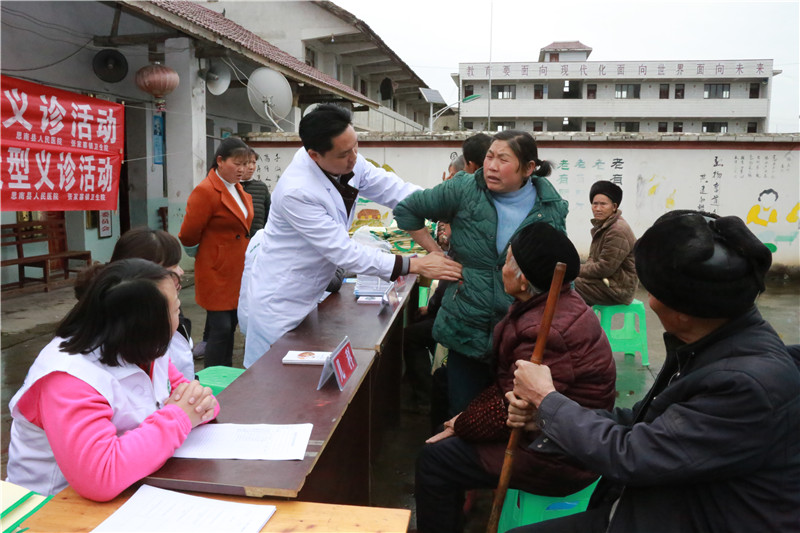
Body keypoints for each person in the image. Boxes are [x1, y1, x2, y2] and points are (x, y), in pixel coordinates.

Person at [506, 210, 800, 533]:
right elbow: (643, 423)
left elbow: (631, 454)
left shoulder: (747, 384)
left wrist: (546, 399)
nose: (651, 303)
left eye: (653, 292)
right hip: (654, 506)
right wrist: (546, 416)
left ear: (685, 313)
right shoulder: (715, 338)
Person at [414, 223, 616, 533]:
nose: (502, 269)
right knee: (446, 386)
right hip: (545, 430)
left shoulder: (548, 330)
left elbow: (512, 405)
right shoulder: (548, 302)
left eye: (507, 261)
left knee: (435, 460)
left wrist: (463, 424)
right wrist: (463, 420)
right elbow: (508, 386)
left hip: (558, 452)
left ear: (523, 280)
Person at [242, 104, 461, 367]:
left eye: (356, 146)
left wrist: (442, 206)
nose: (354, 157)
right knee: (275, 383)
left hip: (311, 293)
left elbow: (395, 189)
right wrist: (413, 264)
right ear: (314, 155)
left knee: (305, 378)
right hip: (281, 301)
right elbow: (343, 251)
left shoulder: (347, 162)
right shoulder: (296, 192)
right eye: (345, 153)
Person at [7, 259, 219, 501]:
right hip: (50, 507)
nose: (179, 317)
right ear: (144, 324)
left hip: (132, 487)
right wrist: (178, 417)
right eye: (175, 311)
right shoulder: (68, 377)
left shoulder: (147, 350)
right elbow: (100, 476)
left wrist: (192, 409)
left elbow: (200, 402)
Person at [394, 129, 568, 416]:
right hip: (466, 325)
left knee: (507, 415)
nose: (492, 166)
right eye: (489, 157)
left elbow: (554, 267)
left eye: (503, 159)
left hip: (519, 332)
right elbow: (407, 211)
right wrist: (438, 254)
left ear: (529, 168)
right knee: (463, 415)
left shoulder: (549, 207)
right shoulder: (463, 189)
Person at [75, 226, 196, 380]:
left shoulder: (168, 311)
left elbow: (176, 381)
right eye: (172, 269)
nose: (181, 272)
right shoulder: (123, 332)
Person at [179, 137, 254, 368]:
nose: (242, 169)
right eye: (237, 163)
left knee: (230, 326)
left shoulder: (237, 188)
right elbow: (189, 234)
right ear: (220, 161)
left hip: (237, 269)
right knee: (220, 328)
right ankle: (212, 380)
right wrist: (213, 253)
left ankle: (226, 374)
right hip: (216, 270)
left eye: (247, 164)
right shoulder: (206, 191)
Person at [574, 180, 638, 306]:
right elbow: (593, 259)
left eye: (603, 204)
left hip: (618, 289)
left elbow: (604, 268)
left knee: (566, 285)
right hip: (606, 282)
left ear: (614, 207)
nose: (597, 208)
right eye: (594, 204)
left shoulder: (617, 230)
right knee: (565, 282)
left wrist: (574, 270)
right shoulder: (604, 226)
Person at [239, 148, 271, 234]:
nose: (251, 167)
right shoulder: (230, 186)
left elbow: (269, 217)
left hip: (256, 242)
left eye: (254, 162)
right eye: (247, 163)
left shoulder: (261, 188)